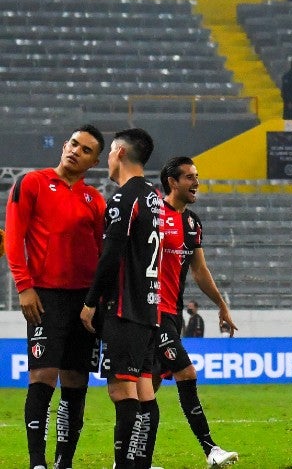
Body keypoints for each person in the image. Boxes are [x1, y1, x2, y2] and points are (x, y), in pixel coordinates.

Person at [5, 124, 106, 469]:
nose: (76, 150)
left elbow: (102, 250)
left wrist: (99, 299)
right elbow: (14, 237)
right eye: (74, 143)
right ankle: (37, 462)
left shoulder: (95, 200)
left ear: (94, 162)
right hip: (44, 296)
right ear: (64, 145)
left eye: (86, 149)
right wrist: (24, 285)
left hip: (84, 301)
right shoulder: (31, 182)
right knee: (42, 376)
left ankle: (64, 461)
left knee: (76, 380)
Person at [79, 128, 162, 469]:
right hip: (149, 307)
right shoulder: (153, 197)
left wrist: (90, 301)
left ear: (121, 153)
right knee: (144, 389)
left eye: (111, 152)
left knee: (120, 390)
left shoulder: (123, 198)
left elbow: (110, 255)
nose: (108, 159)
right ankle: (139, 463)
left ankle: (124, 464)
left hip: (124, 306)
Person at [155, 156, 240, 467]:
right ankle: (211, 450)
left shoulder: (192, 222)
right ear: (172, 182)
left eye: (197, 176)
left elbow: (200, 271)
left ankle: (130, 459)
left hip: (172, 313)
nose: (196, 183)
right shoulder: (152, 214)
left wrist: (221, 304)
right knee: (186, 372)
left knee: (148, 386)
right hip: (150, 313)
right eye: (189, 177)